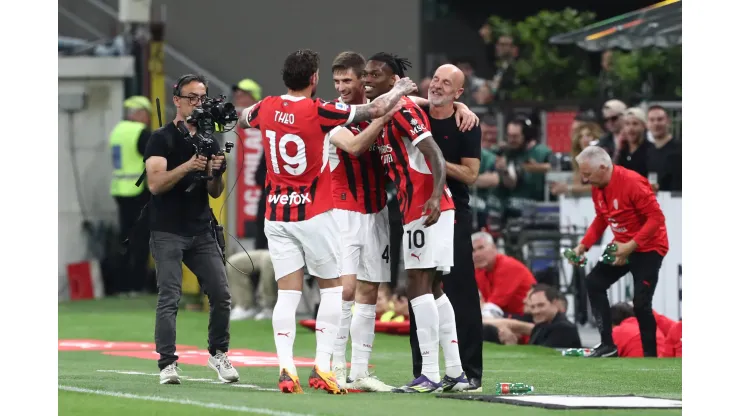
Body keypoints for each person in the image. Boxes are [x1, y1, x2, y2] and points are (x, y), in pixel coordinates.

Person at [237, 49, 416, 394]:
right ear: (315, 79)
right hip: (316, 213)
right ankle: (325, 366)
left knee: (287, 296)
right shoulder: (321, 111)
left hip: (277, 213)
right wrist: (400, 90)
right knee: (335, 289)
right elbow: (375, 110)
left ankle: (288, 368)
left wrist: (215, 116)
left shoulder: (267, 107)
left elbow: (242, 118)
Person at [362, 52, 467, 393]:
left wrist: (435, 196)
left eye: (375, 75)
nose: (367, 80)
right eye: (366, 74)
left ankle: (431, 374)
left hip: (427, 206)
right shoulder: (384, 111)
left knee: (416, 286)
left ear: (393, 80)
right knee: (434, 288)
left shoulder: (403, 109)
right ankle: (455, 371)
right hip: (419, 207)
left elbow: (434, 152)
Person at [144, 74, 236, 385]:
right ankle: (167, 362)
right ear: (177, 99)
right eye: (191, 97)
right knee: (170, 296)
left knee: (222, 294)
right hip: (167, 228)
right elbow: (155, 184)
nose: (197, 103)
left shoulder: (209, 138)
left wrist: (214, 172)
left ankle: (218, 353)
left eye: (201, 98)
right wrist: (189, 166)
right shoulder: (161, 138)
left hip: (199, 227)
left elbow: (213, 191)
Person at [326, 51, 395, 392]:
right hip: (342, 213)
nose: (341, 88)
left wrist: (459, 107)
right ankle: (334, 366)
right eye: (336, 81)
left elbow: (421, 103)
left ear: (362, 80)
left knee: (370, 292)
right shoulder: (333, 114)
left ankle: (360, 372)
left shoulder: (380, 104)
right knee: (346, 289)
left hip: (377, 211)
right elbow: (353, 147)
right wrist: (384, 116)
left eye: (347, 81)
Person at [569, 146, 669, 358]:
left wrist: (630, 246)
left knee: (641, 304)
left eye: (587, 174)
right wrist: (584, 245)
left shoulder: (632, 183)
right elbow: (601, 218)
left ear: (603, 167)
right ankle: (607, 345)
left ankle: (650, 357)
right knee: (594, 282)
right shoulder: (599, 185)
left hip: (649, 247)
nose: (584, 179)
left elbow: (657, 219)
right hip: (622, 245)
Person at [109, 96, 153, 296]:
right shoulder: (140, 133)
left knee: (124, 239)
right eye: (147, 115)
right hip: (138, 191)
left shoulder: (117, 131)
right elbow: (154, 158)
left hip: (119, 189)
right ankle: (136, 284)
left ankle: (121, 284)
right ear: (141, 113)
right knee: (141, 239)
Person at [472, 231, 536, 317]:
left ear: (494, 247)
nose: (477, 254)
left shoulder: (508, 266)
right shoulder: (479, 270)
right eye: (473, 250)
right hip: (504, 315)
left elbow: (493, 306)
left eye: (481, 248)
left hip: (528, 316)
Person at [550, 121, 604, 196]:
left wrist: (568, 188)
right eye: (581, 136)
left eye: (588, 135)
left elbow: (599, 186)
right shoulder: (580, 162)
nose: (584, 139)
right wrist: (562, 187)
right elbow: (577, 185)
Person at [616, 108, 653, 178]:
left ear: (644, 126)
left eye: (635, 124)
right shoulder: (622, 151)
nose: (630, 128)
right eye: (627, 124)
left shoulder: (651, 150)